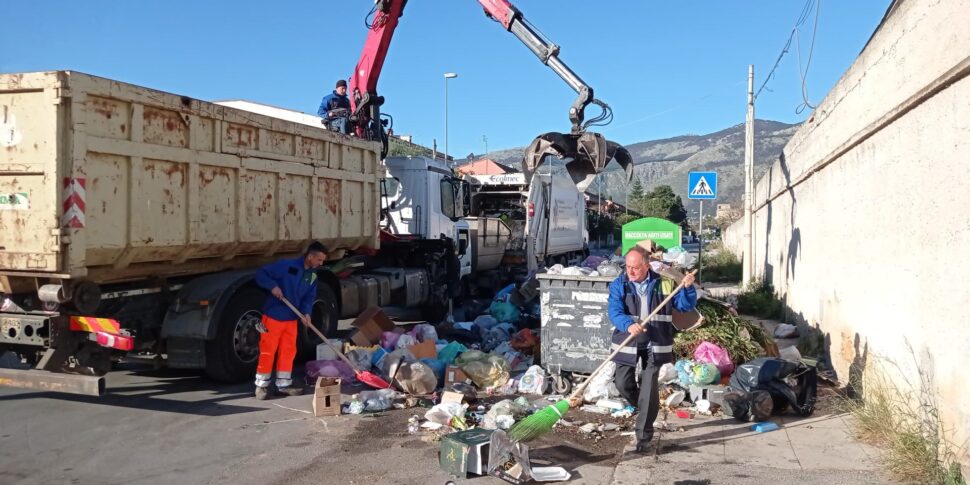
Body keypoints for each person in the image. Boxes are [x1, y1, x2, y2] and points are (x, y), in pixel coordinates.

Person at [607, 244, 696, 452]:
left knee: (648, 384)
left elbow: (684, 306)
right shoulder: (620, 284)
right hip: (628, 340)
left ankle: (644, 436)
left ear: (647, 266)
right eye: (627, 266)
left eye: (635, 267)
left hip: (655, 342)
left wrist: (688, 288)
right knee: (622, 383)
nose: (630, 271)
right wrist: (628, 325)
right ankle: (645, 406)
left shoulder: (664, 283)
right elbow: (614, 310)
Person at [252, 242, 329, 400]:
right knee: (268, 350)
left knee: (288, 351)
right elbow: (261, 274)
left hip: (292, 318)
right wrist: (272, 286)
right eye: (319, 260)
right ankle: (261, 386)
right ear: (310, 256)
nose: (321, 264)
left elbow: (309, 298)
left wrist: (306, 313)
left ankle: (284, 384)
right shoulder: (286, 266)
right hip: (273, 316)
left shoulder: (313, 276)